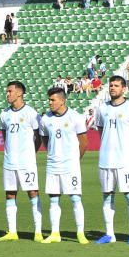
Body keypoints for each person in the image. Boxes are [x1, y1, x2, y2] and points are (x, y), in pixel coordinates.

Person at [93, 75, 129, 245]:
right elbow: (101, 130)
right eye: (111, 85)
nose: (112, 88)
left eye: (116, 85)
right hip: (106, 160)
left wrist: (126, 148)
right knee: (107, 196)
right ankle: (109, 234)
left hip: (125, 161)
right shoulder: (102, 109)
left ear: (124, 89)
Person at [38, 87, 89, 244]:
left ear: (62, 100)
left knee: (75, 198)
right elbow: (45, 140)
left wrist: (75, 159)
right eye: (49, 100)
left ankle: (80, 232)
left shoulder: (75, 117)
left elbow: (84, 142)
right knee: (54, 199)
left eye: (53, 100)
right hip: (53, 165)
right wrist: (54, 154)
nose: (50, 102)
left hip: (70, 166)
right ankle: (55, 233)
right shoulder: (45, 119)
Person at [0, 80, 42, 241]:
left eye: (10, 91)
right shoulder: (4, 114)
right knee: (10, 194)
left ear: (19, 93)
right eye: (7, 91)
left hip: (26, 162)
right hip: (9, 162)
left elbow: (38, 138)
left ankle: (38, 231)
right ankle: (12, 231)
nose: (7, 94)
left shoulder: (31, 113)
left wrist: (30, 153)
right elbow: (4, 135)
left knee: (32, 192)